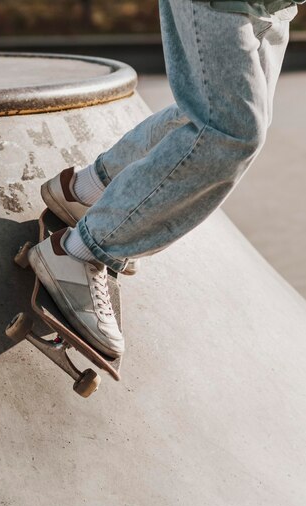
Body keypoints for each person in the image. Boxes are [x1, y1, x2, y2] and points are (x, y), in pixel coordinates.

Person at [27, 0, 302, 359]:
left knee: (221, 117)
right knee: (231, 131)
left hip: (273, 7)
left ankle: (89, 191)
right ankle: (82, 251)